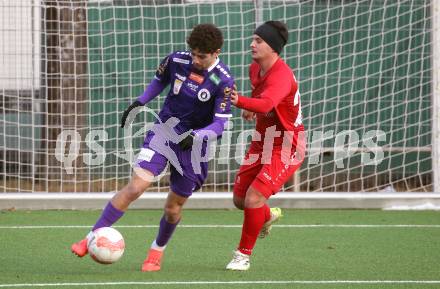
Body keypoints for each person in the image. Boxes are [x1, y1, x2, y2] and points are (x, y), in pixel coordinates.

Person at [71, 23, 235, 272]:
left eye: (202, 56)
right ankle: (89, 237)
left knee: (173, 209)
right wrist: (139, 102)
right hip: (164, 131)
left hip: (194, 148)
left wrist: (198, 136)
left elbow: (220, 125)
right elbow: (159, 81)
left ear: (216, 52)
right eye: (193, 53)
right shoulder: (176, 60)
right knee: (136, 187)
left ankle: (155, 253)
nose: (195, 59)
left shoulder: (223, 81)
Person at [226, 20, 305, 271]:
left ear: (273, 47)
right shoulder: (254, 69)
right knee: (240, 200)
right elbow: (260, 100)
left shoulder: (282, 75)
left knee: (253, 197)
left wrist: (240, 102)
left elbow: (267, 103)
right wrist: (251, 109)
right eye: (253, 39)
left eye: (259, 41)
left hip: (287, 145)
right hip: (263, 140)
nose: (252, 44)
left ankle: (242, 256)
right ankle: (268, 215)